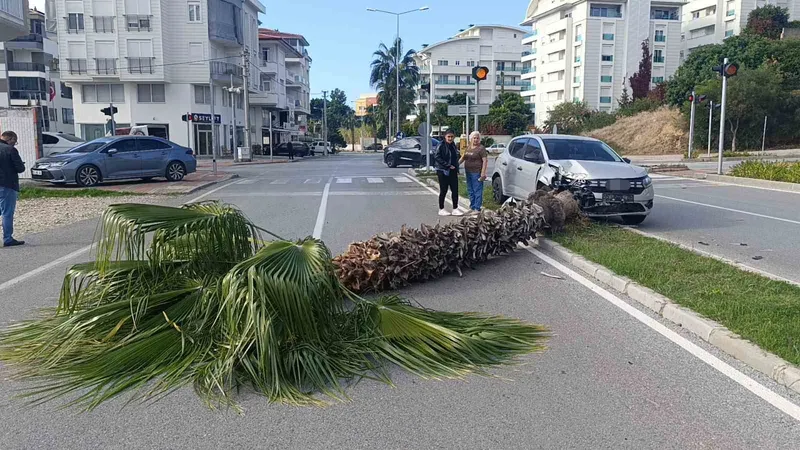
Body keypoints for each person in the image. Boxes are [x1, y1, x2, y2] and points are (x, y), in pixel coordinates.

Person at [0, 130, 25, 247]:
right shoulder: (10, 150)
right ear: (11, 140)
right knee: (7, 212)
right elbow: (20, 168)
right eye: (15, 142)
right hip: (7, 184)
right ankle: (7, 238)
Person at [434, 129, 466, 217]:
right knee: (443, 190)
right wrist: (447, 165)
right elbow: (437, 157)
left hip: (453, 171)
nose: (450, 138)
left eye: (452, 137)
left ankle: (455, 208)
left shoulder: (453, 145)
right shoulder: (441, 145)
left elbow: (455, 158)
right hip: (443, 170)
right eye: (448, 136)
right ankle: (441, 209)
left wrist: (456, 168)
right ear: (445, 137)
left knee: (455, 190)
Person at [459, 131, 489, 213]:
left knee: (477, 190)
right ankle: (472, 206)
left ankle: (477, 208)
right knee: (470, 190)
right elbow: (463, 158)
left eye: (477, 138)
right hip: (468, 171)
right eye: (474, 138)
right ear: (470, 139)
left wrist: (483, 173)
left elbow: (485, 161)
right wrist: (455, 165)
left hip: (477, 172)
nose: (475, 140)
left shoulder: (481, 148)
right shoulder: (468, 147)